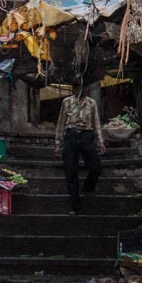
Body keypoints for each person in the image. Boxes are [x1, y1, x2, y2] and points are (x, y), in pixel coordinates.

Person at [53, 82, 104, 215]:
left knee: (96, 167)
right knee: (70, 171)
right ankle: (75, 205)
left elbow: (96, 122)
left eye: (84, 87)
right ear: (74, 89)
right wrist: (58, 143)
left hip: (87, 135)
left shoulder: (91, 103)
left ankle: (88, 187)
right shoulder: (67, 102)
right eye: (78, 88)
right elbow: (61, 123)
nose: (81, 90)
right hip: (71, 135)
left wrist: (100, 141)